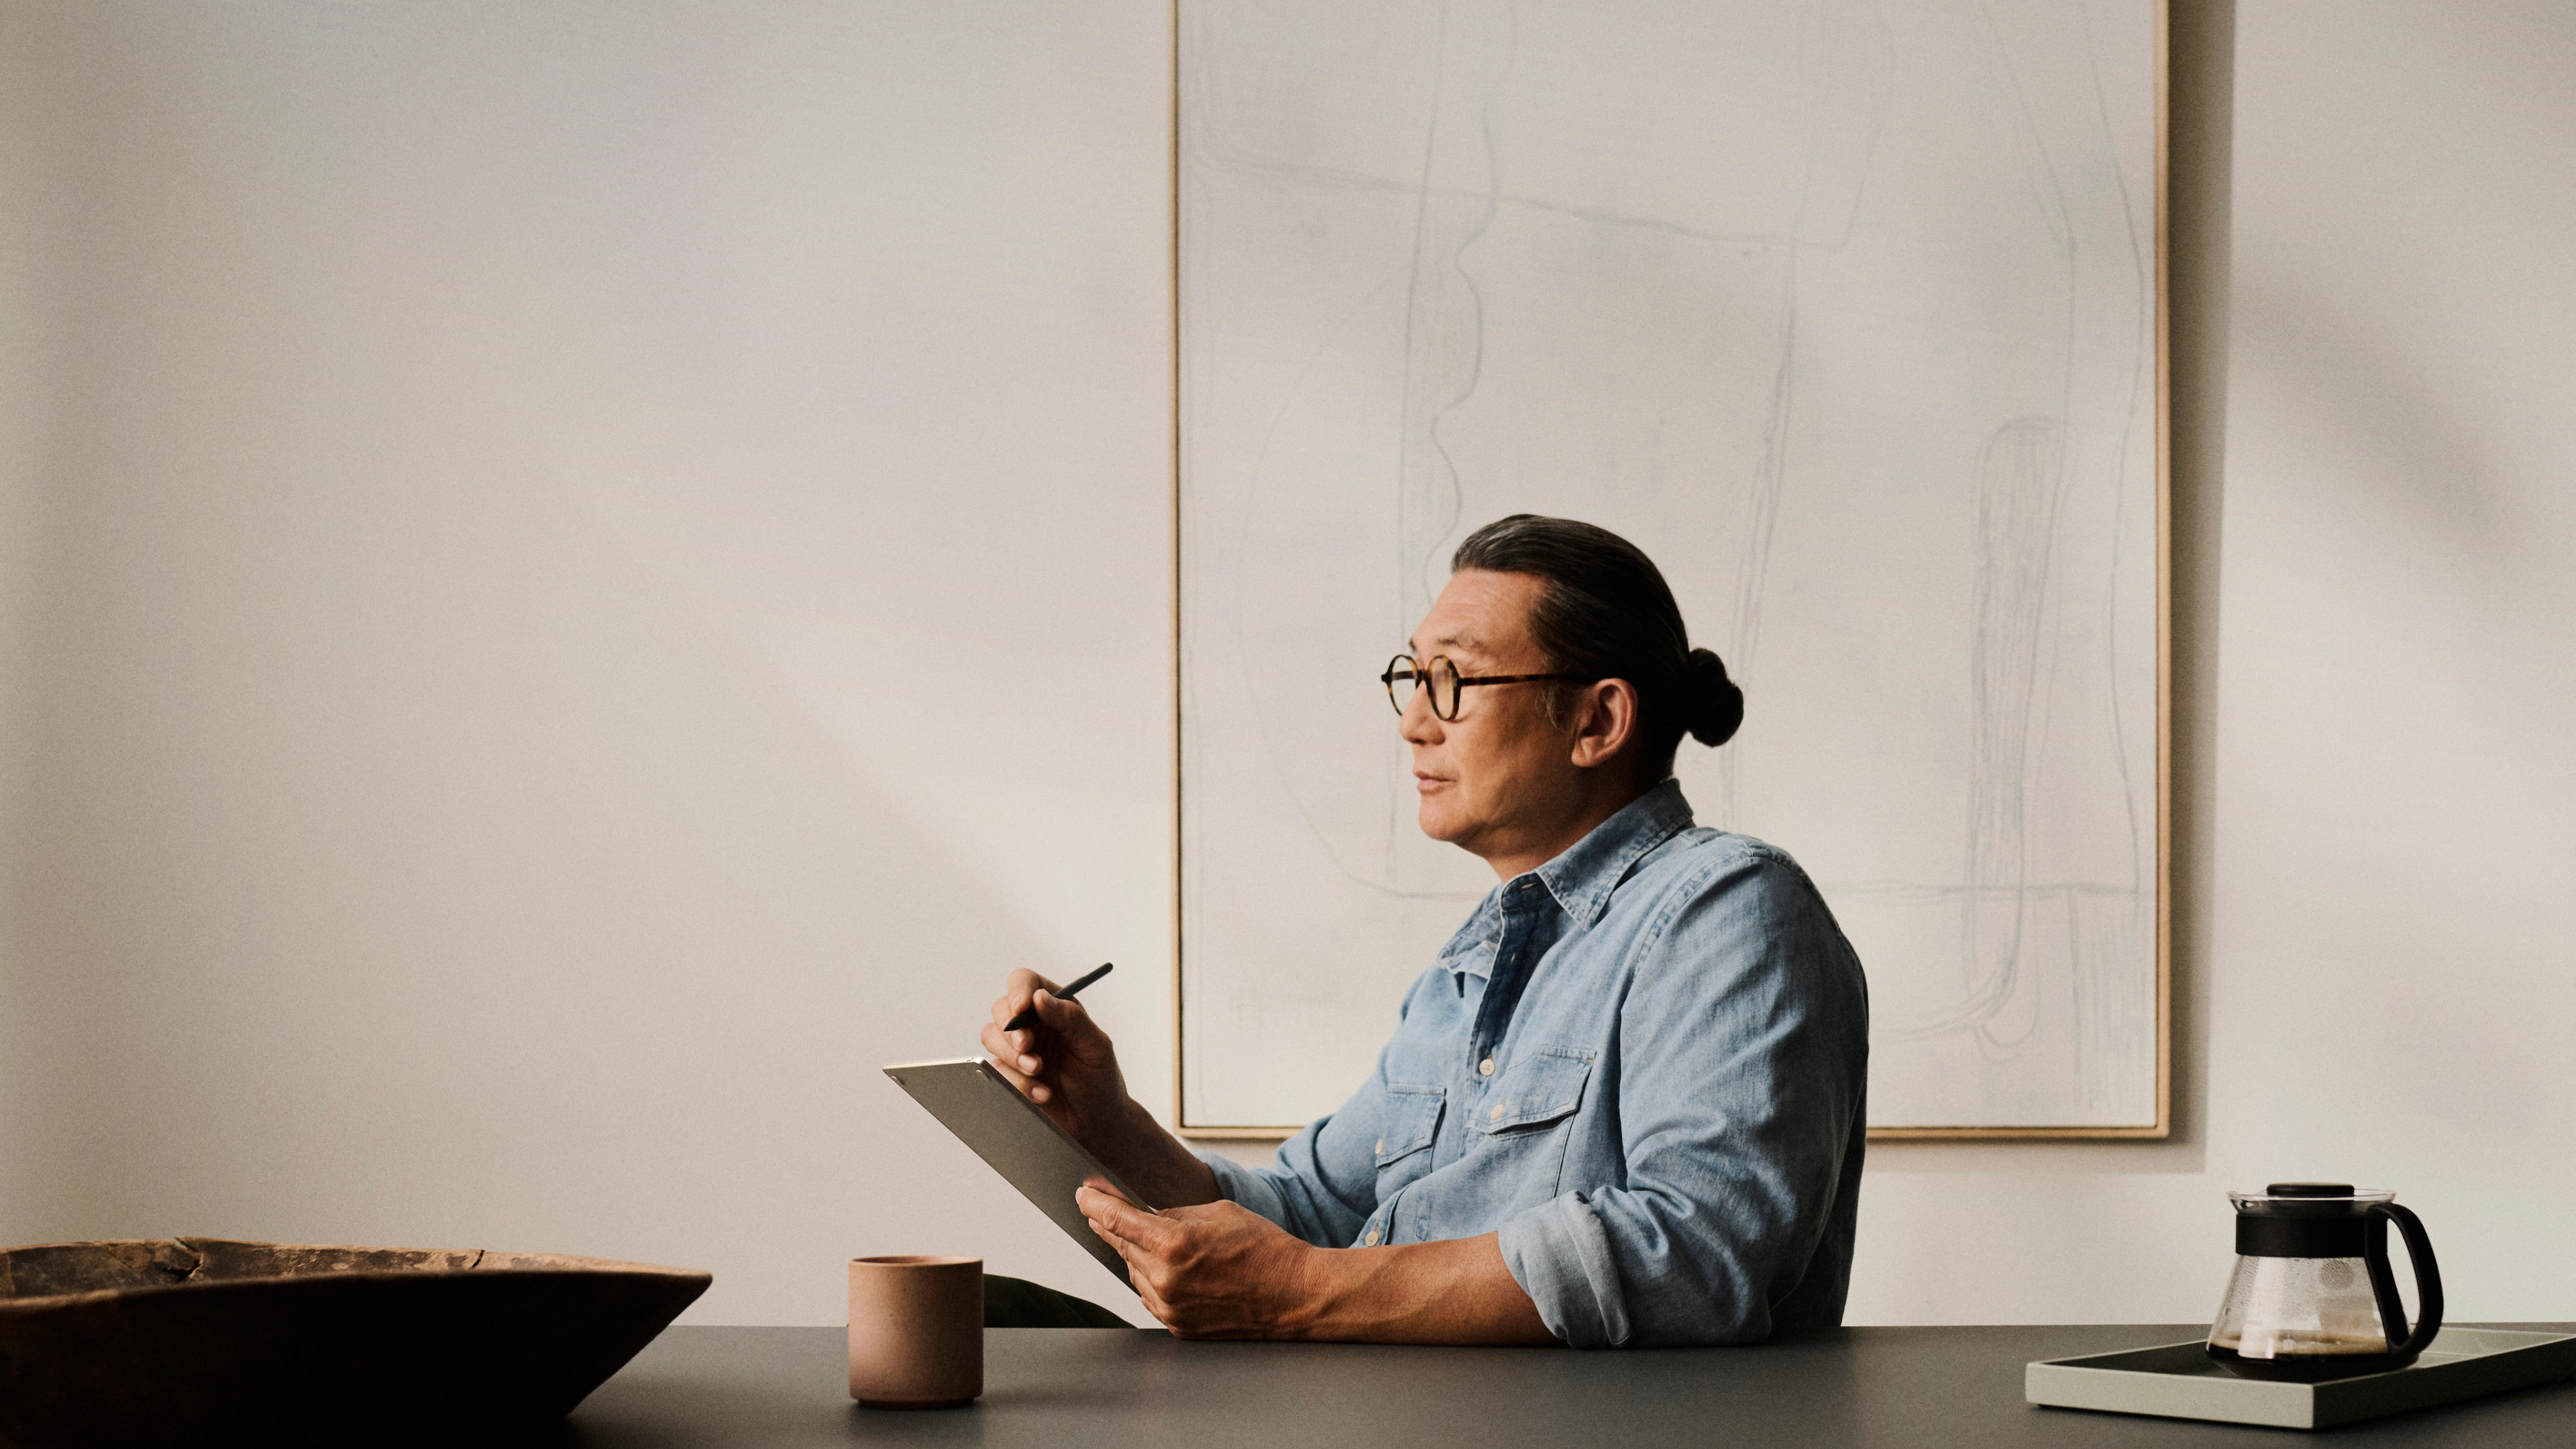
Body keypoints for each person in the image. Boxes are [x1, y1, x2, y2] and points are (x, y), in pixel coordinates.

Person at [982, 515, 1869, 1347]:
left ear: (1598, 720)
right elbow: (1305, 1221)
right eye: (1412, 679)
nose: (1413, 724)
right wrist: (1105, 1123)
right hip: (1396, 1415)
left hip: (1572, 1431)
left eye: (1453, 681)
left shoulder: (1728, 908)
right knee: (994, 1317)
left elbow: (1703, 1249)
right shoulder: (1470, 969)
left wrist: (1299, 1292)